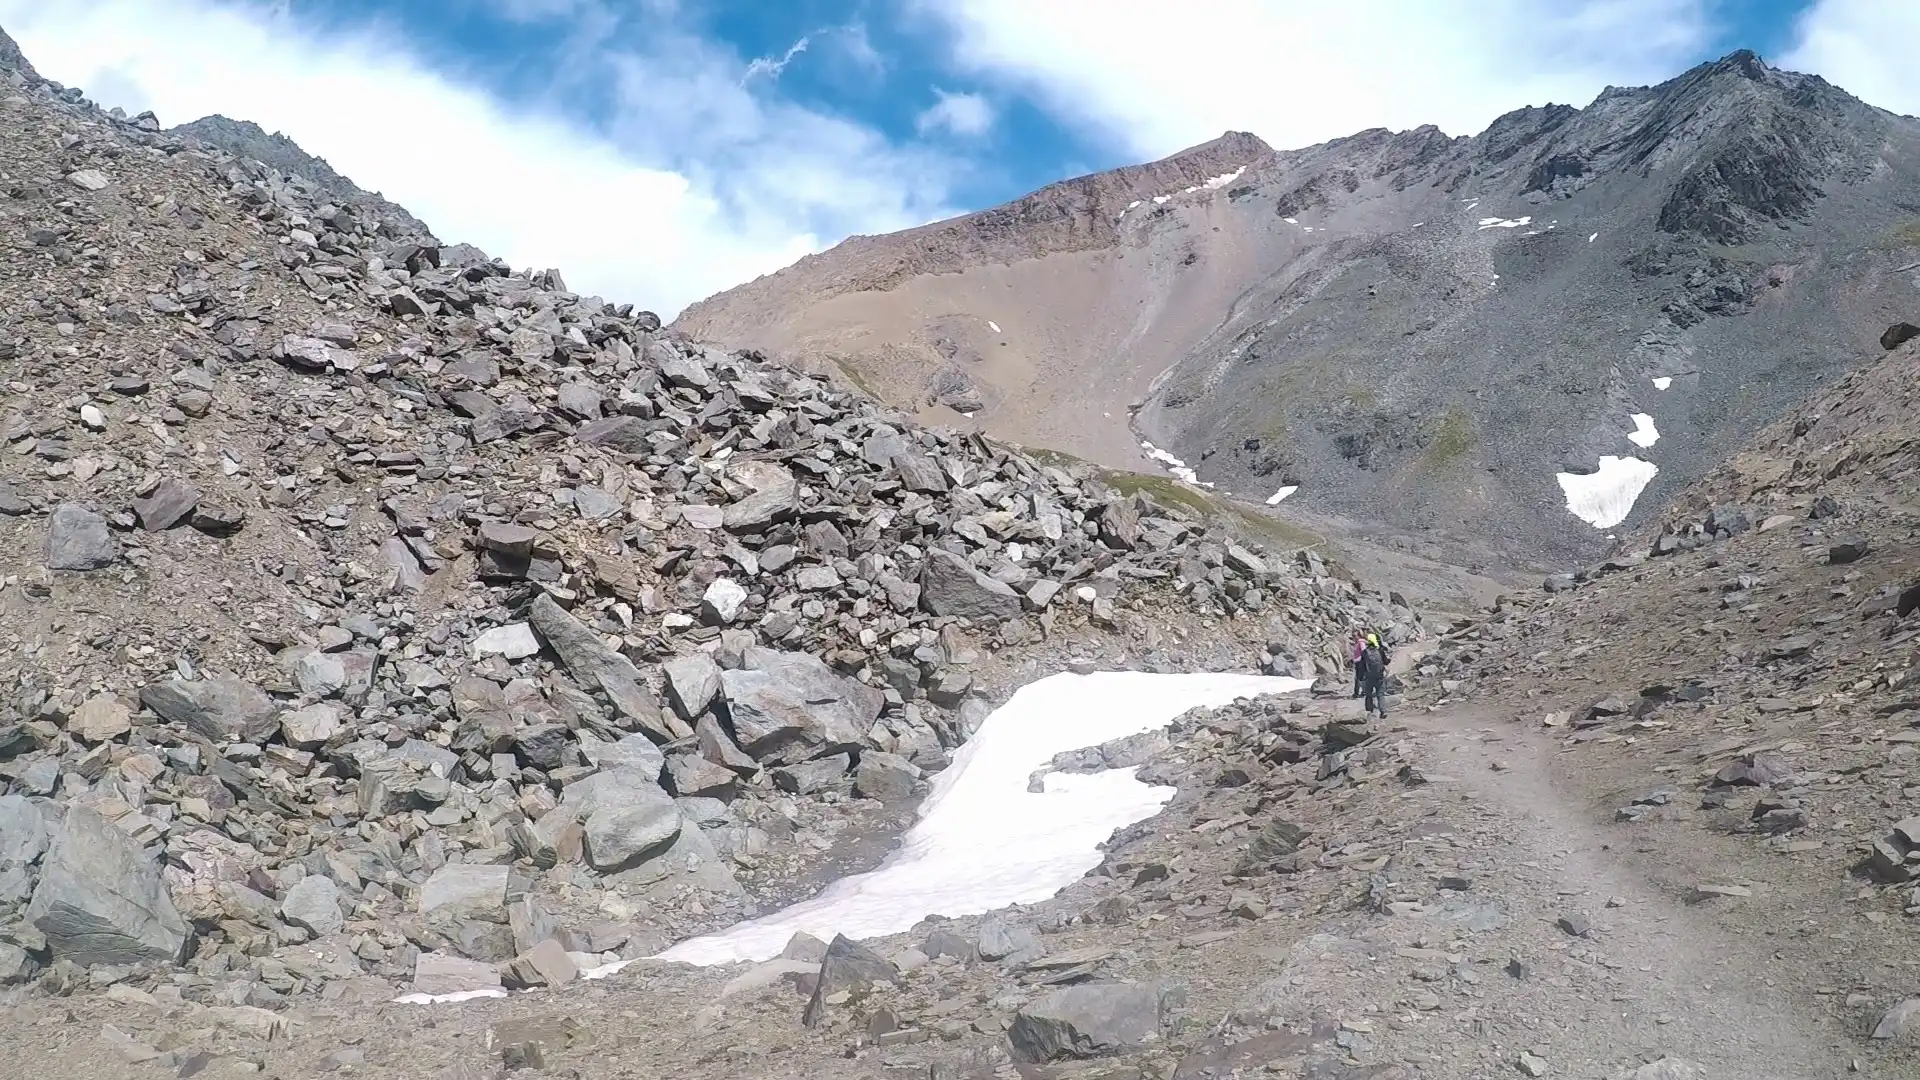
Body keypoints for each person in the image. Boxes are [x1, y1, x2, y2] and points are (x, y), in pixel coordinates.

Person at [1358, 632, 1389, 719]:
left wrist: (1360, 677)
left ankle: (1369, 712)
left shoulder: (1365, 652)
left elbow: (1362, 666)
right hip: (1379, 676)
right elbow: (1386, 661)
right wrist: (1388, 660)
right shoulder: (1380, 650)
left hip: (1368, 677)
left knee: (1368, 695)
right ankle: (1383, 711)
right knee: (1380, 694)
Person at [1349, 632, 1367, 698]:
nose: (1353, 637)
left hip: (1361, 663)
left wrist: (1355, 660)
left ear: (1359, 636)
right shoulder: (1357, 643)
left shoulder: (1361, 643)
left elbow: (1364, 653)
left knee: (1358, 679)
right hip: (1358, 662)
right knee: (1361, 678)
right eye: (1353, 635)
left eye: (1354, 635)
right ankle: (1363, 692)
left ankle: (1356, 694)